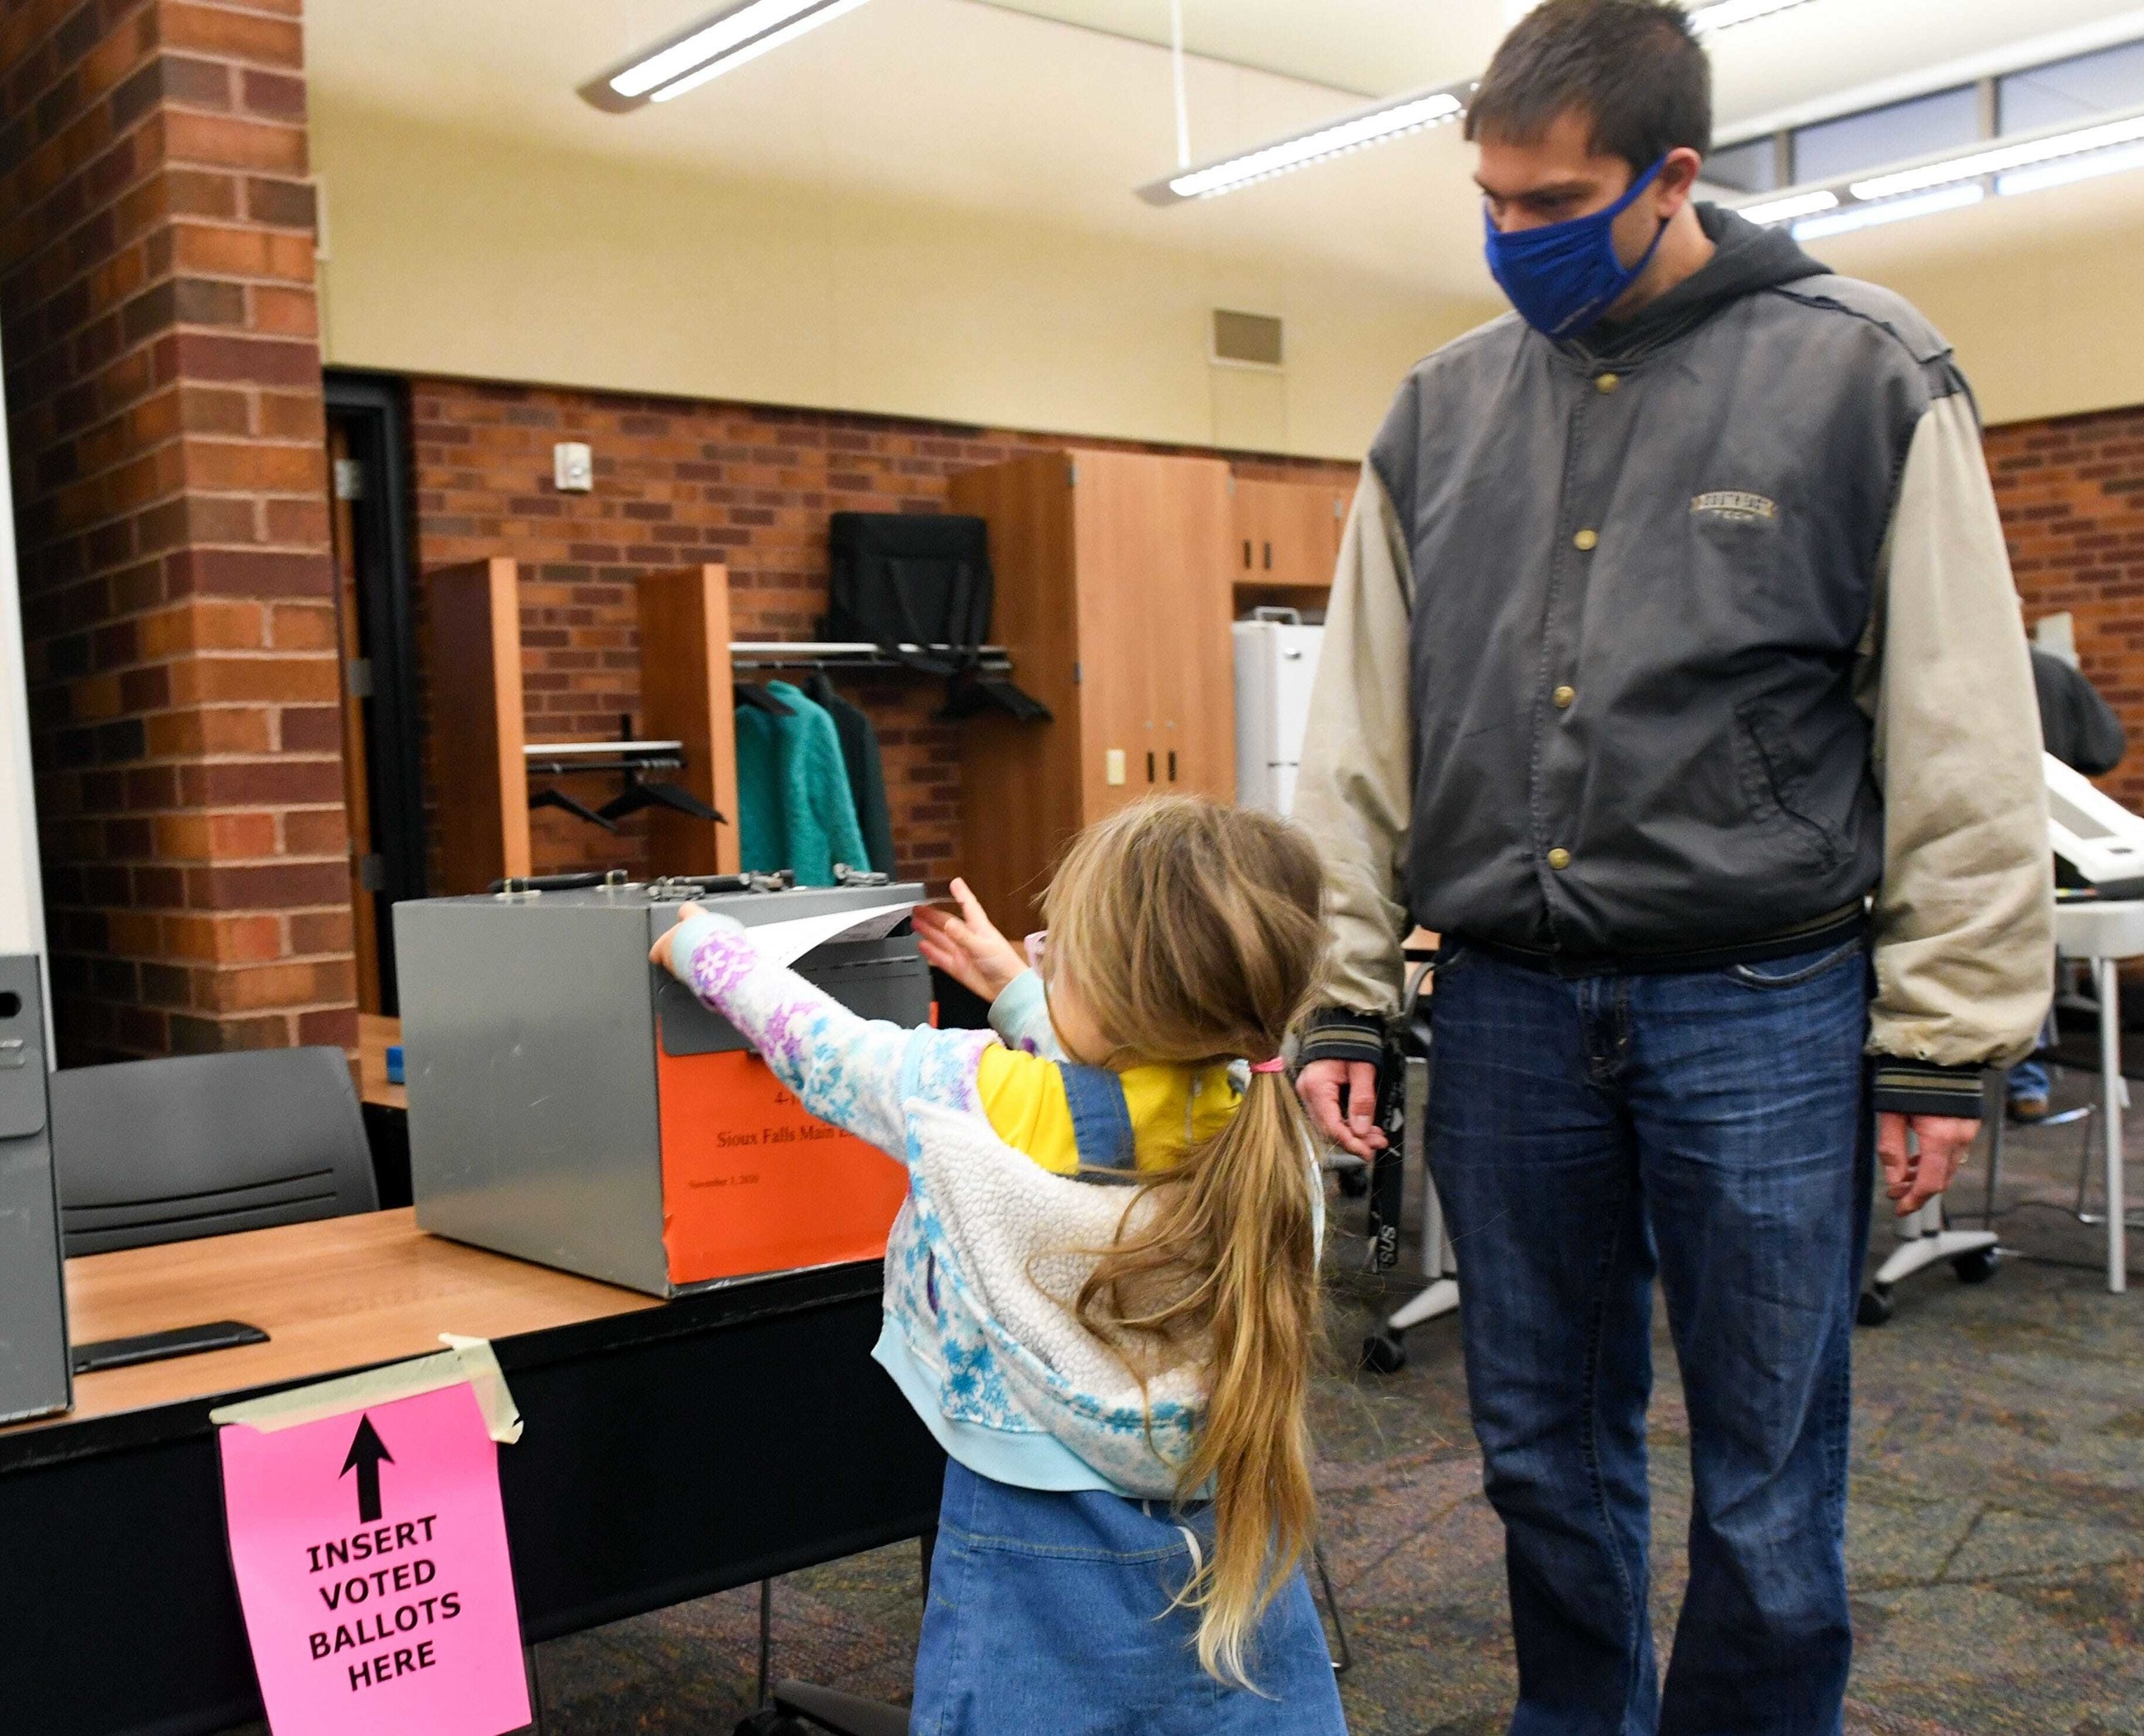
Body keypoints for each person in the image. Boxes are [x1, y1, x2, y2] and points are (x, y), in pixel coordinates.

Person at [1289, 3, 2053, 1731]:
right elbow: (1354, 735)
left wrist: (1946, 1032)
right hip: (1504, 1008)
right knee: (1541, 1464)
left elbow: (1960, 726)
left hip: (1764, 1006)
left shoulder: (1866, 370)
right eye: (1490, 198)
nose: (1514, 237)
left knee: (1769, 1483)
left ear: (1674, 175)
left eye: (1555, 200)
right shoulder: (1439, 411)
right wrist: (1340, 995)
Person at [652, 798, 1346, 1734]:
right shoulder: (1260, 1125)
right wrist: (1023, 991)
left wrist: (703, 948)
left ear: (1110, 988)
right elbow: (1129, 1084)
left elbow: (822, 1045)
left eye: (1065, 950)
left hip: (1029, 1537)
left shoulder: (965, 1099)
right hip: (1231, 1514)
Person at [2009, 643, 2128, 1119]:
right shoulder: (2051, 670)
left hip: (1979, 843)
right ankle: (2028, 1084)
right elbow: (2105, 748)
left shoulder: (1952, 662)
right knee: (2035, 951)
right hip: (2056, 843)